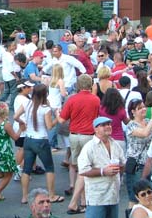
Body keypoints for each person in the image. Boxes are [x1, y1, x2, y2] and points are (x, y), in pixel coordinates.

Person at [58, 74, 100, 215]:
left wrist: (57, 113)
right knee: (87, 167)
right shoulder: (95, 99)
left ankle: (77, 193)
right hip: (89, 136)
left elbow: (62, 120)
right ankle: (83, 199)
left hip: (75, 135)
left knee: (76, 165)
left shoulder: (72, 99)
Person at [14, 84, 63, 205]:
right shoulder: (45, 108)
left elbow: (15, 116)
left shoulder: (27, 103)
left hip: (28, 139)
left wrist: (22, 122)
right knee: (49, 168)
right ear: (45, 94)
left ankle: (24, 196)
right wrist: (57, 117)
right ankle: (51, 195)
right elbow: (50, 126)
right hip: (41, 140)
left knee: (26, 169)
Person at [77, 116, 126, 218]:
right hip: (97, 198)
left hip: (113, 195)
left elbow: (123, 163)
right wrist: (103, 171)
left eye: (109, 124)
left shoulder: (115, 144)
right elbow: (83, 170)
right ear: (95, 129)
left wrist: (120, 170)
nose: (108, 126)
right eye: (103, 125)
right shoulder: (89, 147)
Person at [0, 102, 21, 200]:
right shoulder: (6, 124)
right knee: (9, 173)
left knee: (2, 170)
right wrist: (21, 129)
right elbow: (15, 137)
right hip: (5, 150)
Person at [126, 99, 152, 209]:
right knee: (135, 198)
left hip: (150, 163)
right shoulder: (131, 125)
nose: (143, 109)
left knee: (149, 197)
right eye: (139, 108)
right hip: (137, 166)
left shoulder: (148, 121)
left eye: (144, 107)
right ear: (133, 111)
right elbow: (144, 133)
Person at [13, 79, 34, 182]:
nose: (31, 89)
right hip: (23, 127)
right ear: (22, 88)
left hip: (22, 126)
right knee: (26, 150)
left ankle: (19, 169)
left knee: (22, 149)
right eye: (28, 87)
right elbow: (16, 116)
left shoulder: (20, 98)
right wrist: (22, 122)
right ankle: (19, 169)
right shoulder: (24, 100)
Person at [0, 41, 19, 111]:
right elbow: (11, 68)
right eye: (13, 46)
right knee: (14, 92)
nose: (15, 47)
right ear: (9, 47)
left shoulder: (5, 54)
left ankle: (1, 101)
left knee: (7, 90)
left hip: (5, 75)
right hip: (11, 76)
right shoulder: (9, 56)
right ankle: (12, 106)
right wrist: (16, 76)